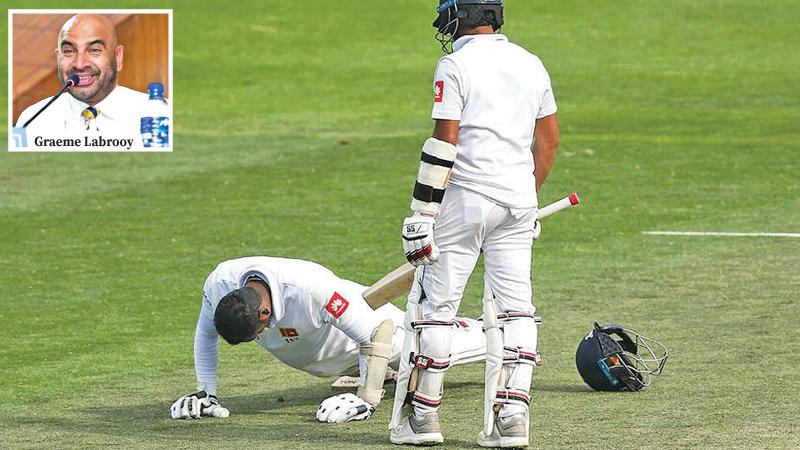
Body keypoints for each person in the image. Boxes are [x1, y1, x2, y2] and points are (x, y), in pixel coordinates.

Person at [392, 0, 559, 447]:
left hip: (465, 200)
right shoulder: (531, 62)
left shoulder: (454, 64)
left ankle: (423, 419)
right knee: (516, 307)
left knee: (437, 309)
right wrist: (527, 195)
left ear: (462, 16)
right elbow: (548, 140)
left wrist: (422, 213)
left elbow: (444, 139)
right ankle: (513, 418)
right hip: (518, 201)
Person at [169, 256, 486, 423]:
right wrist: (205, 392)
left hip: (369, 339)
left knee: (430, 347)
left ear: (264, 312)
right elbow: (205, 334)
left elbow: (377, 335)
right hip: (334, 359)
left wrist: (365, 398)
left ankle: (495, 332)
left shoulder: (310, 291)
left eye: (258, 332)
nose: (261, 338)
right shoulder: (219, 284)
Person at [14, 14, 162, 149]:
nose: (79, 64)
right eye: (68, 51)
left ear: (118, 57)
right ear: (58, 58)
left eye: (94, 50)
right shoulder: (32, 120)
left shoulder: (160, 115)